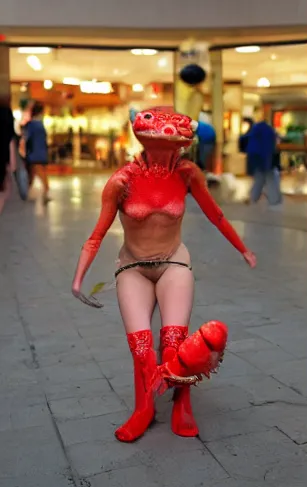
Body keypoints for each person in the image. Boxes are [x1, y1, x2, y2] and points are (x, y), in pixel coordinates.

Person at [71, 107, 257, 443]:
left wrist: (243, 249)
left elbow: (215, 214)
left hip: (173, 262)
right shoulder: (121, 180)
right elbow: (97, 234)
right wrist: (78, 279)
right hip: (132, 267)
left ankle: (181, 403)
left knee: (174, 345)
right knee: (141, 349)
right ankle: (144, 409)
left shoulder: (187, 174)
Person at [241, 115, 281, 206]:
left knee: (259, 178)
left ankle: (253, 197)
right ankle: (274, 199)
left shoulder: (254, 131)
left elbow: (247, 145)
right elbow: (269, 147)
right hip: (265, 158)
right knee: (270, 178)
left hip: (256, 158)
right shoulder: (269, 131)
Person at [24, 103, 50, 203]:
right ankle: (45, 192)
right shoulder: (37, 125)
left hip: (34, 153)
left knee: (32, 174)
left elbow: (28, 139)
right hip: (38, 153)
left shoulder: (31, 125)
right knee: (39, 173)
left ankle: (26, 193)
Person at [0, 96, 16, 215]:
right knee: (4, 190)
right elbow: (10, 138)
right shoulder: (6, 112)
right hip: (2, 157)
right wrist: (12, 161)